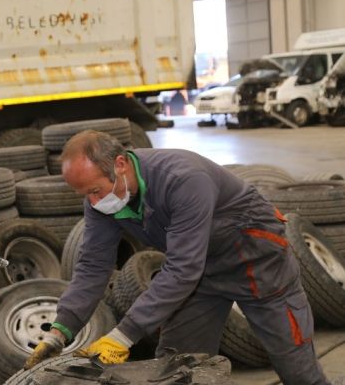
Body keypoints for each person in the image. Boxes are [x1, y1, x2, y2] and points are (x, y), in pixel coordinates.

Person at [24, 130, 329, 384]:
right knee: (176, 366)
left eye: (95, 191)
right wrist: (59, 332)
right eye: (85, 196)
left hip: (255, 259)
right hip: (200, 271)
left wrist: (124, 335)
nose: (92, 202)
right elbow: (92, 266)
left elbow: (183, 269)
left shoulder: (182, 178)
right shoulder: (103, 201)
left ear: (119, 164)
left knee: (295, 366)